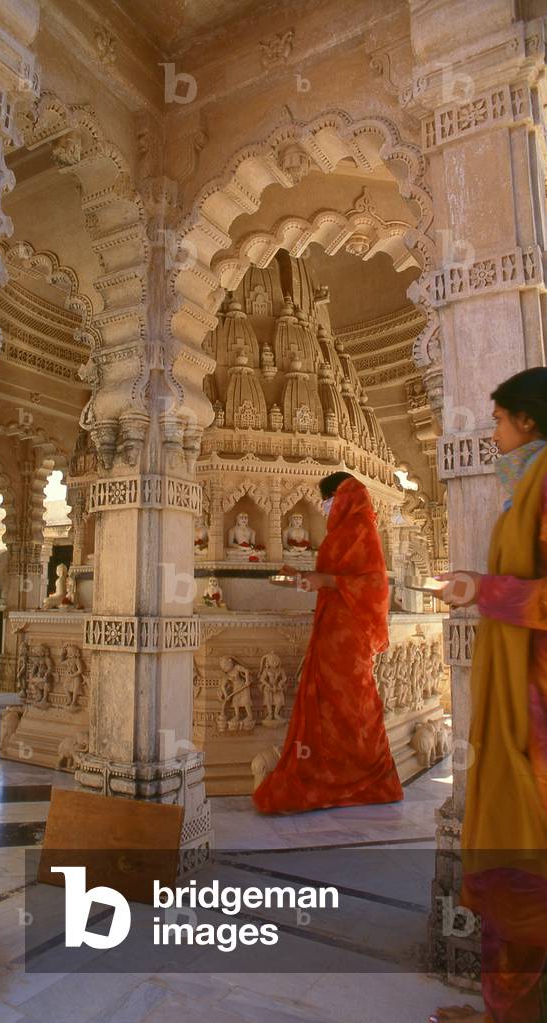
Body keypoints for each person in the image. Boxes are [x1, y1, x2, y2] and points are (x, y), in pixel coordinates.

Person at [429, 368, 547, 1023]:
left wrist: (484, 589)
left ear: (528, 421)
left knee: (527, 874)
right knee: (513, 872)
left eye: (499, 419)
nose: (493, 432)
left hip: (537, 716)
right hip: (513, 709)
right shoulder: (522, 489)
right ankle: (507, 1011)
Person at [252, 472, 403, 813]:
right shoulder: (342, 531)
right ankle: (328, 775)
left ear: (343, 496)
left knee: (353, 704)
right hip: (332, 628)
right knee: (327, 705)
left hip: (350, 634)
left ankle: (369, 778)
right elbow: (333, 581)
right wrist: (300, 577)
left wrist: (324, 579)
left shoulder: (361, 529)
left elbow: (375, 585)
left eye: (327, 499)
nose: (324, 508)